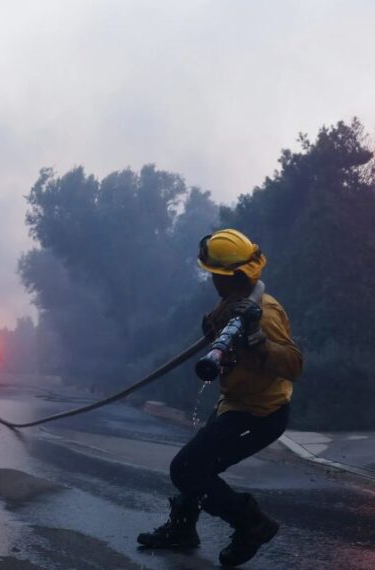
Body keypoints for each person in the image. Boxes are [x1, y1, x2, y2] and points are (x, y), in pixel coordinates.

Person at [138, 229, 303, 567]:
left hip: (260, 415)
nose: (212, 279)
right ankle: (183, 528)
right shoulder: (233, 303)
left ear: (232, 277)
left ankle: (252, 524)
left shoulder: (265, 314)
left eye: (215, 274)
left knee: (186, 469)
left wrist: (259, 341)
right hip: (235, 405)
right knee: (200, 464)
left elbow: (295, 365)